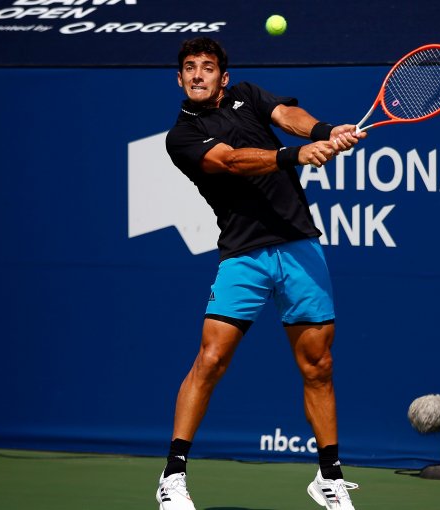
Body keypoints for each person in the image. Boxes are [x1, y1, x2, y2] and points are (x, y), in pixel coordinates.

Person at [157, 37, 366, 510]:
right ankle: (172, 476)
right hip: (243, 255)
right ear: (179, 78)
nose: (197, 74)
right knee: (210, 360)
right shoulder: (181, 137)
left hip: (299, 246)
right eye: (189, 68)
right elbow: (230, 160)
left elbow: (289, 118)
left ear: (222, 77)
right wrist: (297, 155)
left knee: (319, 365)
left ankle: (329, 478)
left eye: (207, 67)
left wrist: (327, 130)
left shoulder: (248, 94)